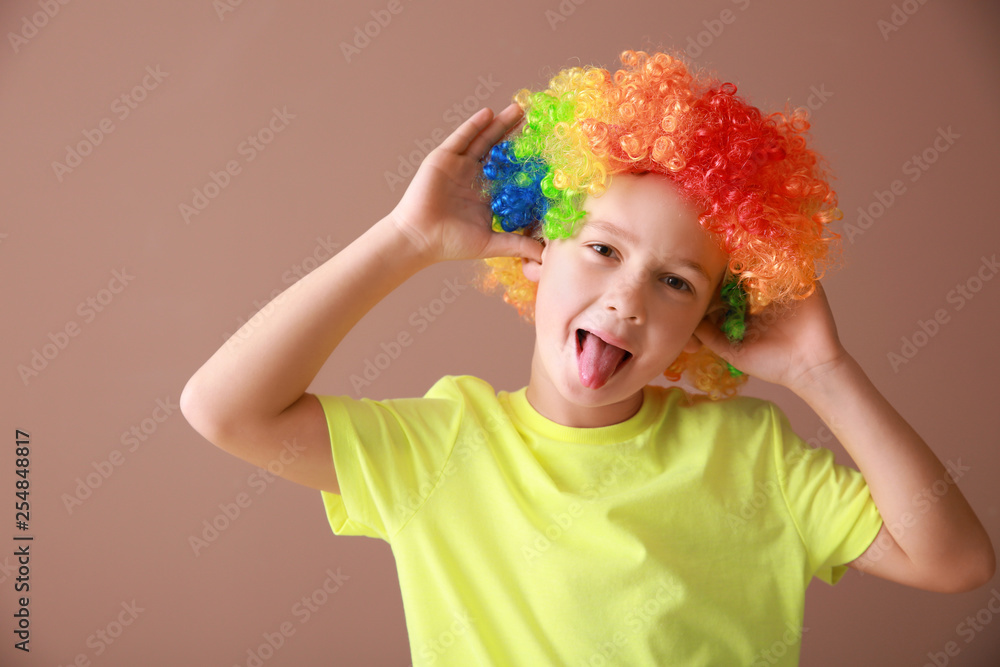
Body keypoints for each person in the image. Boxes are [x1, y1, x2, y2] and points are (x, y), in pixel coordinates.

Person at [180, 50, 995, 666]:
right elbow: (223, 409)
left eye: (676, 281)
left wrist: (825, 373)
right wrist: (406, 241)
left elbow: (955, 561)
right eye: (603, 247)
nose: (628, 299)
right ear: (536, 249)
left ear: (711, 319)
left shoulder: (753, 457)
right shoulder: (443, 447)